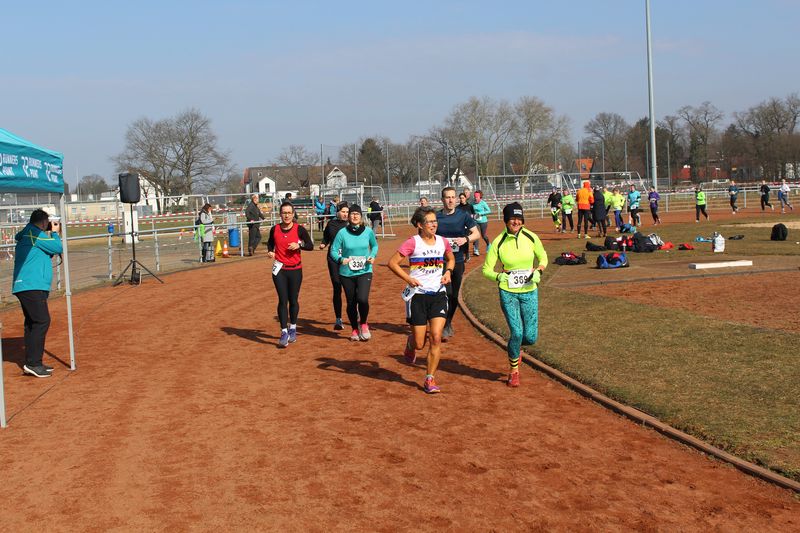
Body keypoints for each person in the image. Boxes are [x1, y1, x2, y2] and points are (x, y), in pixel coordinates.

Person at [387, 206, 455, 394]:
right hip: (417, 296)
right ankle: (410, 344)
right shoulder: (413, 243)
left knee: (436, 337)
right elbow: (392, 263)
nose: (434, 224)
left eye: (435, 221)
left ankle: (429, 378)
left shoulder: (442, 242)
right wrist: (408, 278)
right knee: (419, 343)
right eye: (429, 222)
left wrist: (448, 272)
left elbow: (450, 259)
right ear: (419, 225)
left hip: (438, 294)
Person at [482, 202, 548, 388]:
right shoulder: (498, 242)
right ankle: (514, 371)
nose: (516, 222)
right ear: (506, 220)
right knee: (517, 332)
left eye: (519, 218)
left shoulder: (531, 237)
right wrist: (499, 276)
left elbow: (543, 257)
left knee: (530, 337)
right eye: (512, 218)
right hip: (508, 292)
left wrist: (539, 271)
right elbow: (486, 269)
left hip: (529, 291)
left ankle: (515, 348)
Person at [12, 209, 63, 378]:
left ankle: (32, 363)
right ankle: (34, 363)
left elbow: (47, 251)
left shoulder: (28, 235)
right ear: (43, 222)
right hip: (31, 285)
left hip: (27, 285)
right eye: (47, 222)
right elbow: (58, 247)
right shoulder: (34, 234)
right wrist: (55, 233)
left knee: (32, 323)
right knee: (42, 321)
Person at [267, 202, 314, 347]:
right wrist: (270, 251)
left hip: (295, 270)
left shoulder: (299, 229)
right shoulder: (274, 229)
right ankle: (283, 331)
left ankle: (292, 327)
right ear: (280, 214)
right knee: (283, 300)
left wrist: (299, 245)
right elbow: (270, 243)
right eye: (284, 213)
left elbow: (310, 245)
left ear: (293, 214)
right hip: (280, 270)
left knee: (293, 300)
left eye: (289, 213)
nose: (286, 215)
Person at [329, 205, 378, 341]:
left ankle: (364, 323)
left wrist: (372, 255)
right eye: (352, 214)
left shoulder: (368, 232)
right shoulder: (342, 233)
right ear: (349, 216)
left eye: (357, 214)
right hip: (347, 273)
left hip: (365, 271)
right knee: (351, 302)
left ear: (361, 216)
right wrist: (340, 259)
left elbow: (374, 245)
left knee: (362, 299)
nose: (355, 216)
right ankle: (354, 329)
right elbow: (333, 250)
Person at [436, 187, 480, 340]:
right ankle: (442, 325)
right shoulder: (436, 217)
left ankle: (447, 323)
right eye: (447, 197)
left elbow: (476, 233)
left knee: (454, 296)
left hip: (458, 260)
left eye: (453, 197)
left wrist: (466, 239)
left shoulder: (463, 216)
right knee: (446, 293)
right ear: (442, 199)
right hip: (440, 261)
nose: (450, 200)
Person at [319, 202, 349, 330]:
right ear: (337, 212)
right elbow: (326, 237)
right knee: (337, 287)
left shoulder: (351, 225)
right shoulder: (331, 224)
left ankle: (355, 311)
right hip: (333, 259)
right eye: (343, 212)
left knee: (350, 289)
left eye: (347, 212)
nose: (345, 214)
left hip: (348, 260)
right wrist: (323, 243)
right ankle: (338, 319)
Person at [471, 190, 491, 256]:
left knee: (483, 235)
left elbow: (489, 211)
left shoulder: (483, 203)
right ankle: (476, 250)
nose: (475, 198)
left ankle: (488, 244)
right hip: (475, 221)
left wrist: (480, 213)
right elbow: (470, 210)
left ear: (480, 197)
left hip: (483, 221)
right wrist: (472, 215)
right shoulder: (472, 203)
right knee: (476, 235)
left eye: (477, 197)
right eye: (475, 197)